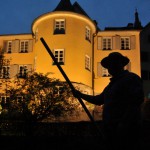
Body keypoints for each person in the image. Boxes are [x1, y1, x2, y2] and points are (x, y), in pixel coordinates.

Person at [73, 52, 144, 150]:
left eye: (113, 64)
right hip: (111, 129)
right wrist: (80, 95)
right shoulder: (110, 86)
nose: (110, 67)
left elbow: (136, 101)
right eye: (109, 65)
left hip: (126, 130)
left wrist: (124, 123)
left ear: (121, 64)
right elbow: (99, 100)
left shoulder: (131, 78)